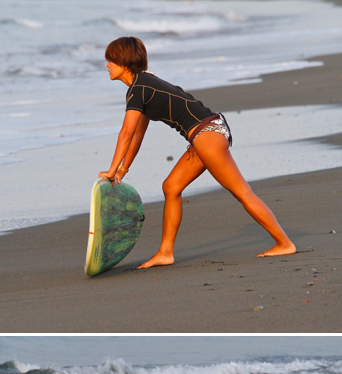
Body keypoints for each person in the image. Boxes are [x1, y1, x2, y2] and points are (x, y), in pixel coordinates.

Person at [98, 36, 296, 268]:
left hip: (207, 134)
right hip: (206, 134)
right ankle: (165, 253)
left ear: (124, 62)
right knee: (171, 187)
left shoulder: (139, 88)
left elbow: (126, 133)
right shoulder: (142, 85)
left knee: (242, 191)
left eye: (110, 60)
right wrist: (122, 169)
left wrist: (111, 170)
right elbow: (137, 135)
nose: (107, 65)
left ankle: (284, 243)